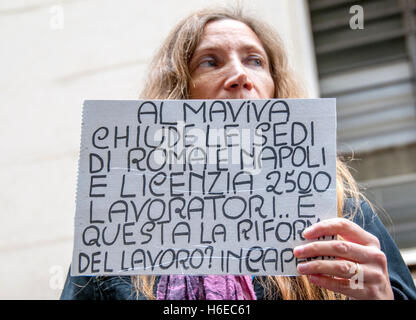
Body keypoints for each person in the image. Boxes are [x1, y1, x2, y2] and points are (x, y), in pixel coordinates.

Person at [60, 6, 416, 300]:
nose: (239, 75)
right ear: (180, 93)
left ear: (274, 88)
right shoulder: (122, 219)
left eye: (255, 61)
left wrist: (381, 295)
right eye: (210, 62)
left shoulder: (337, 205)